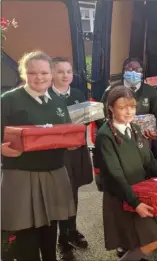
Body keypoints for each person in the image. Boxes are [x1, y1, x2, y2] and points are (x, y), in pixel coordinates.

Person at [1, 51, 76, 260]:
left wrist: (70, 143)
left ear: (51, 74)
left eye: (44, 72)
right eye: (32, 72)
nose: (39, 77)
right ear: (24, 74)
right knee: (26, 235)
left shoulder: (58, 102)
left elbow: (65, 132)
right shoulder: (8, 100)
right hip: (21, 175)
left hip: (53, 172)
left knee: (50, 229)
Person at [94, 86, 157, 261]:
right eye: (122, 107)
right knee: (156, 238)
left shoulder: (135, 129)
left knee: (152, 238)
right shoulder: (105, 136)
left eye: (132, 107)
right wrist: (135, 203)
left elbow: (149, 161)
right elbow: (115, 174)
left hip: (141, 192)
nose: (129, 112)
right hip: (124, 197)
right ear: (111, 108)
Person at [48, 57, 93, 260]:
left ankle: (72, 231)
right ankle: (62, 240)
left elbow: (84, 121)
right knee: (59, 197)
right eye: (60, 71)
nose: (65, 75)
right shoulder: (46, 96)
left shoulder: (77, 94)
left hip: (77, 151)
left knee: (73, 194)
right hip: (57, 154)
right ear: (52, 73)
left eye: (68, 71)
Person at [99, 57, 157, 158]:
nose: (133, 72)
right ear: (123, 71)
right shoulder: (111, 90)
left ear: (142, 73)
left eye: (137, 69)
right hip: (118, 141)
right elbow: (101, 116)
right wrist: (112, 132)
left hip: (144, 141)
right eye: (129, 69)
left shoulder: (151, 92)